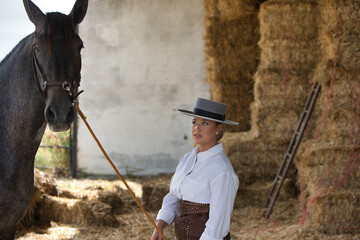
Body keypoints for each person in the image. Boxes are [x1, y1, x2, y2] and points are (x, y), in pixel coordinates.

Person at [151, 98, 239, 240]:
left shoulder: (222, 169)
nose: (197, 128)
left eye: (204, 123)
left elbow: (218, 224)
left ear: (218, 128)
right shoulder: (186, 159)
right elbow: (173, 197)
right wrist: (160, 224)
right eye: (194, 122)